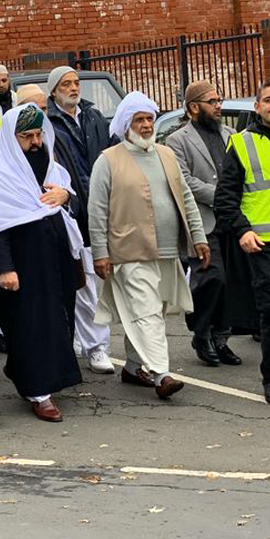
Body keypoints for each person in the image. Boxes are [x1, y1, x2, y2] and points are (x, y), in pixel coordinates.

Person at [89, 92, 208, 400]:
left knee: (153, 310)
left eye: (149, 119)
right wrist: (100, 252)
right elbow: (97, 209)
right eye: (139, 120)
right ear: (126, 123)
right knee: (146, 313)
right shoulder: (109, 160)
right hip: (129, 251)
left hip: (169, 251)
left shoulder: (166, 154)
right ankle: (161, 374)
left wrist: (198, 237)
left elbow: (187, 200)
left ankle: (131, 366)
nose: (145, 125)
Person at [0, 105, 84, 422]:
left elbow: (74, 201)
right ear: (12, 138)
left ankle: (48, 378)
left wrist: (66, 196)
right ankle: (39, 392)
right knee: (30, 324)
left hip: (57, 257)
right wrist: (4, 269)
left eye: (38, 135)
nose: (35, 142)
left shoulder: (51, 168)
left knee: (60, 318)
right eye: (27, 136)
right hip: (23, 263)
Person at [215, 81, 270, 404]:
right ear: (257, 107)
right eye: (268, 100)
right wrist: (243, 231)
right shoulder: (242, 144)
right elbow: (225, 199)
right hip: (265, 244)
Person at [166, 80, 242, 368]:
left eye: (220, 100)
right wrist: (224, 196)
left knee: (230, 282)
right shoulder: (177, 140)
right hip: (202, 221)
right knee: (212, 277)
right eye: (213, 101)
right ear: (194, 107)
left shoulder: (232, 134)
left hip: (231, 220)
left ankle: (220, 338)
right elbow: (185, 181)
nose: (219, 106)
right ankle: (201, 333)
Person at [46, 66, 116, 375]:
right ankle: (90, 343)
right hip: (69, 208)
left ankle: (97, 345)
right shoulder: (49, 122)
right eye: (66, 84)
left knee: (95, 283)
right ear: (54, 90)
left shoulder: (93, 117)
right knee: (77, 281)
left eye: (76, 83)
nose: (74, 88)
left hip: (99, 206)